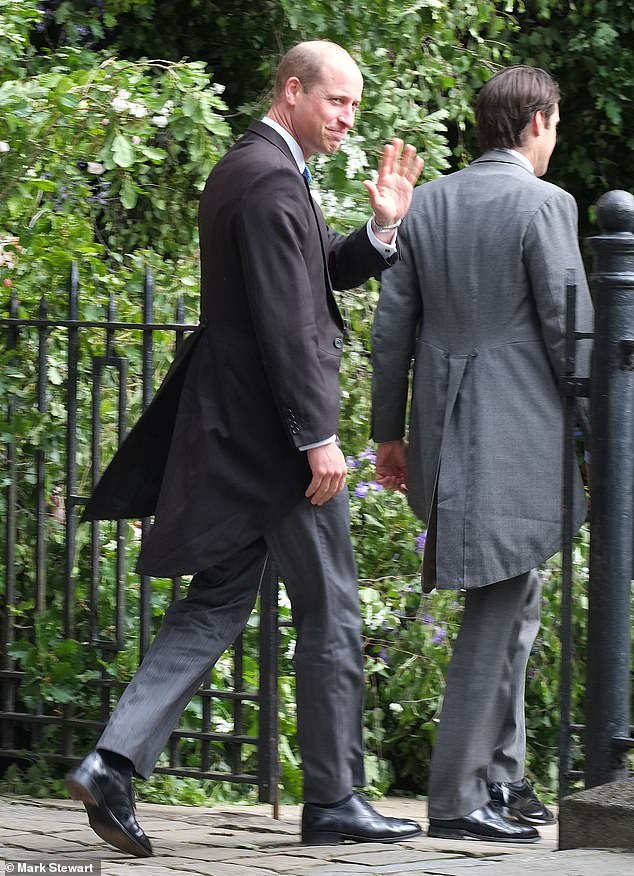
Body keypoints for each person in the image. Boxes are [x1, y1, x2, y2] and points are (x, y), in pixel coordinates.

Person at [65, 40, 424, 856]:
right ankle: (334, 799)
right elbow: (285, 323)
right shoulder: (266, 176)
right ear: (292, 90)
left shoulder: (262, 167)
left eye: (356, 108)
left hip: (244, 436)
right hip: (276, 451)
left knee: (219, 600)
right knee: (332, 608)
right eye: (338, 102)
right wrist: (319, 439)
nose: (348, 120)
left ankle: (112, 761)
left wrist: (379, 229)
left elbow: (315, 273)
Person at [371, 65, 593, 843]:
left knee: (517, 601)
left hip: (442, 427)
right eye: (556, 124)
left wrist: (387, 434)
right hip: (512, 433)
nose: (555, 138)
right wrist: (602, 435)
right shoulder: (546, 202)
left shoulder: (426, 205)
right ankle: (458, 798)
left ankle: (504, 777)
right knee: (497, 606)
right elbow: (573, 332)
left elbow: (391, 330)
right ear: (537, 122)